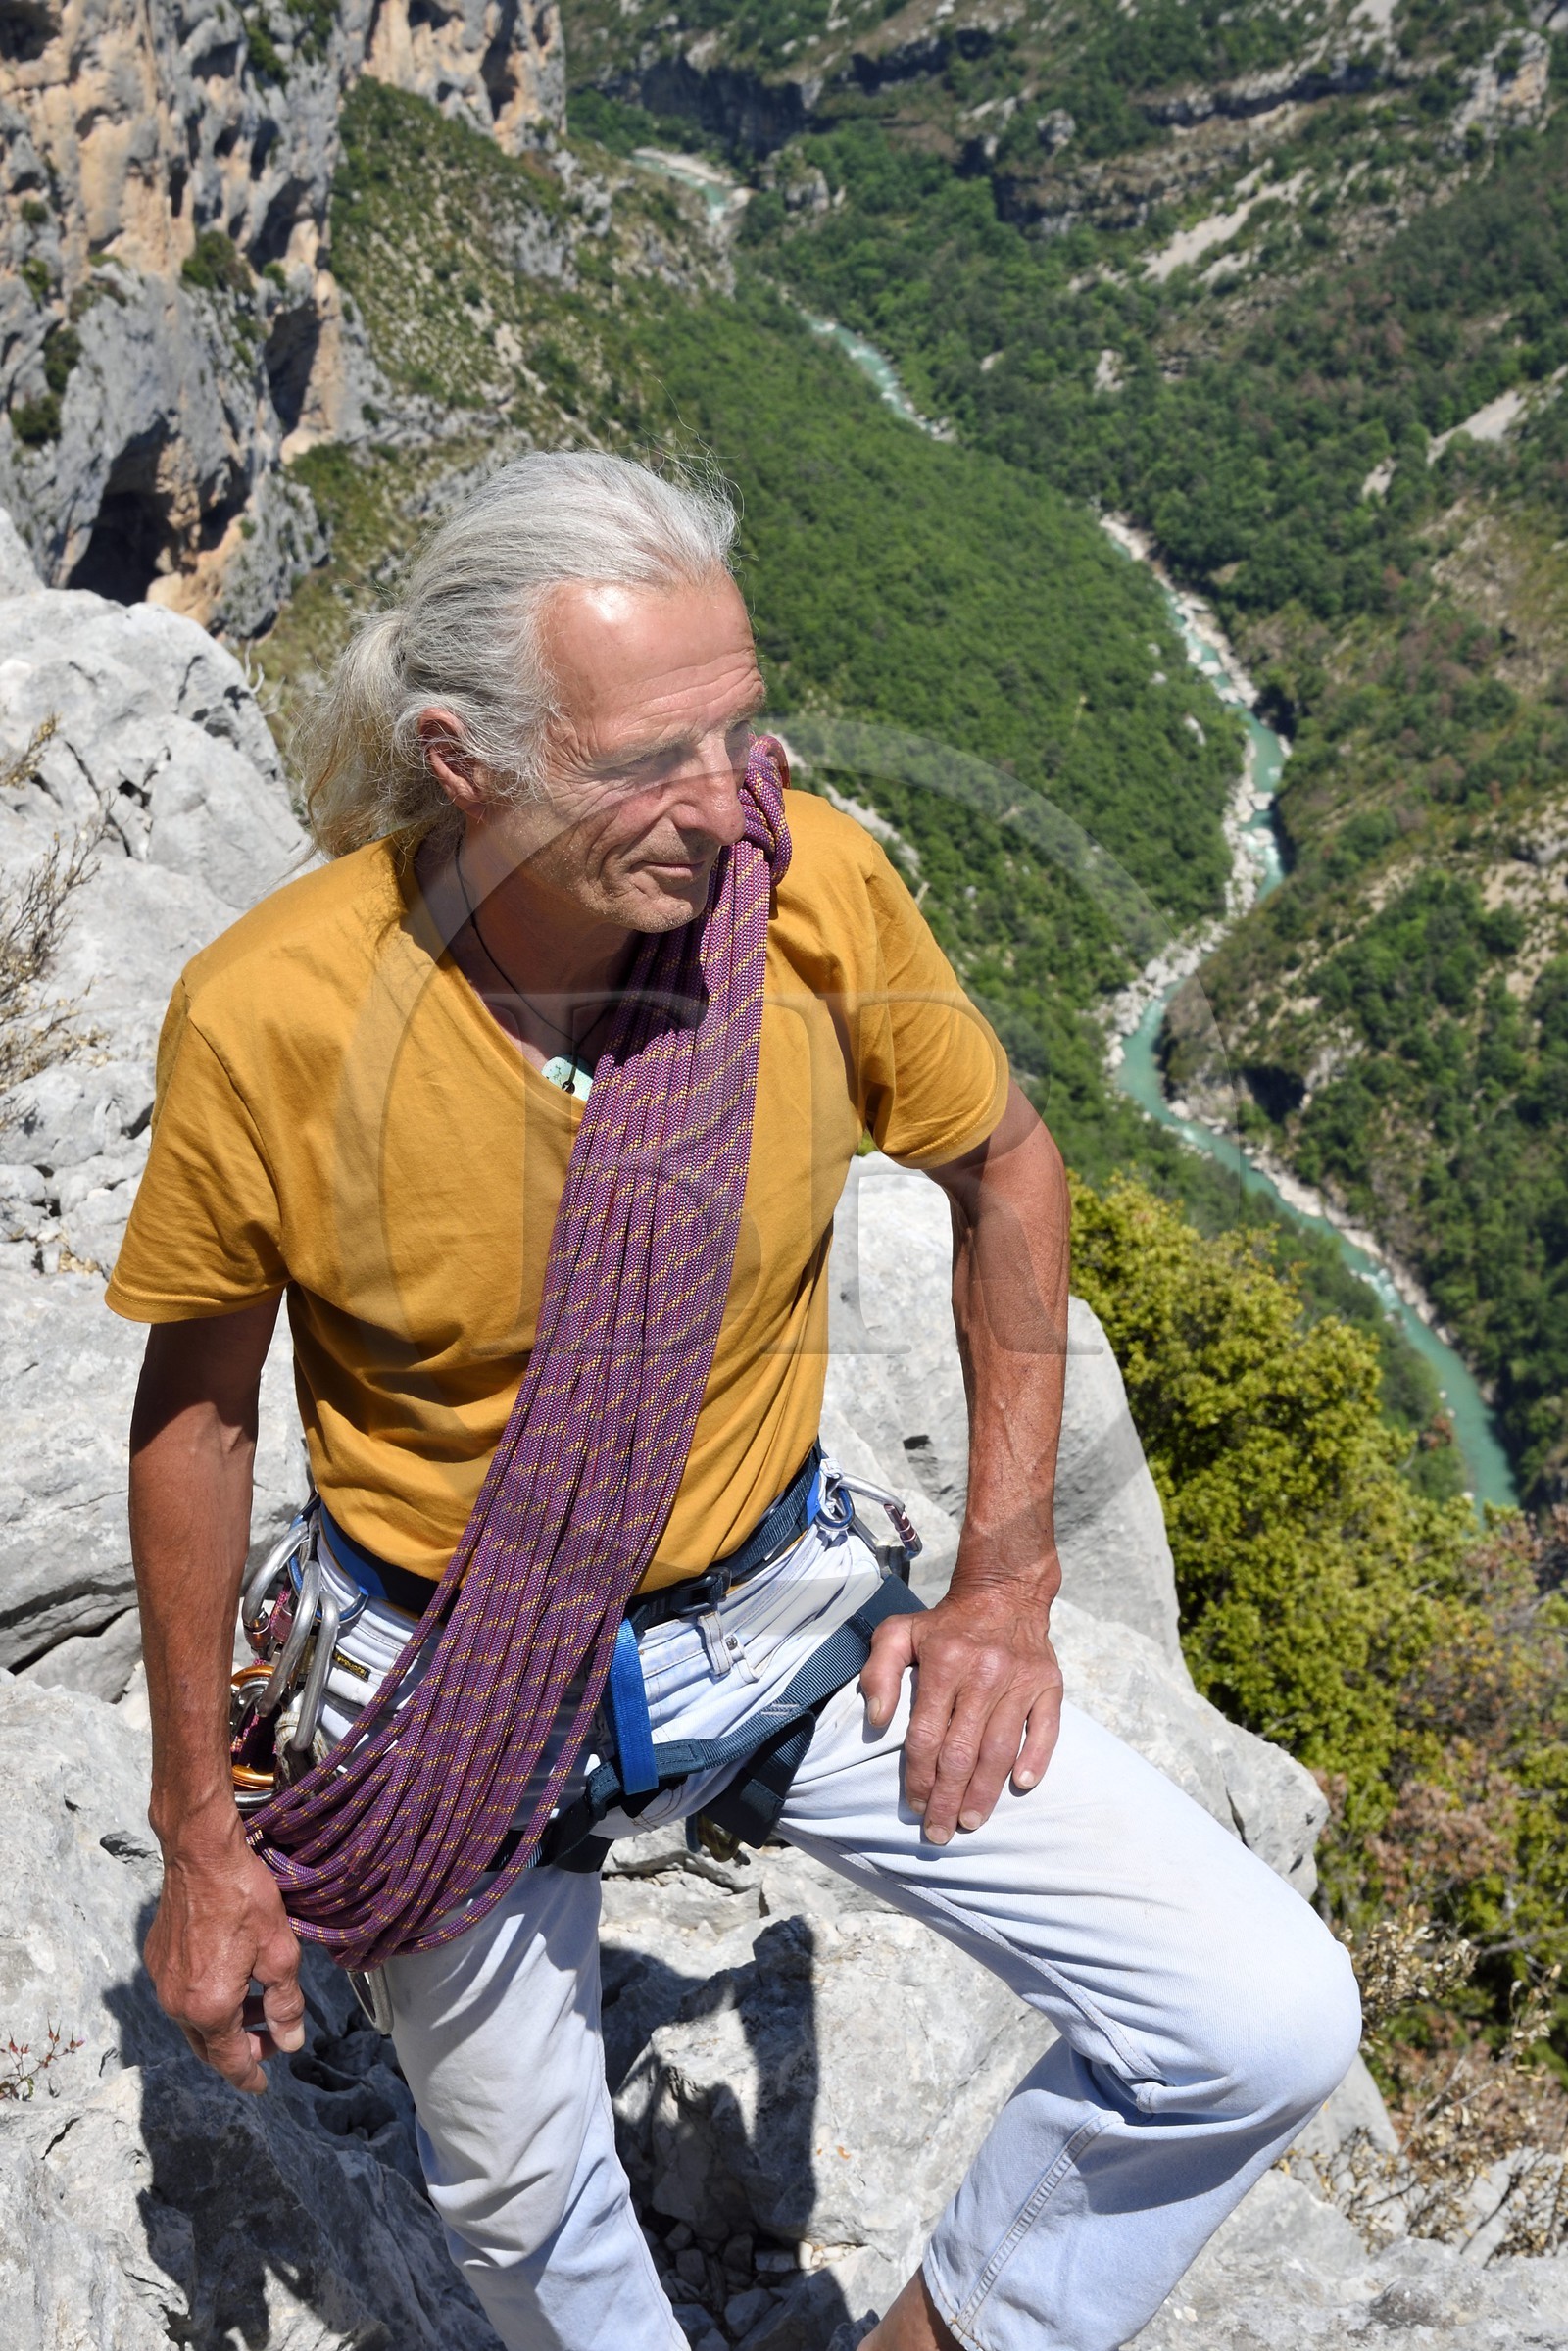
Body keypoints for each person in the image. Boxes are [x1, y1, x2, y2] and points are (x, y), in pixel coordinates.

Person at [112, 452, 1360, 2351]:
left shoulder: (806, 894)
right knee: (529, 2216)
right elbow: (197, 1411)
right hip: (452, 1675)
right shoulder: (277, 1015)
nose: (728, 802)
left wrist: (1006, 1583)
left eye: (742, 726)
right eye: (647, 762)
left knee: (1261, 2015)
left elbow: (1006, 1172)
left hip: (764, 1622)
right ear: (463, 762)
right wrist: (203, 1828)